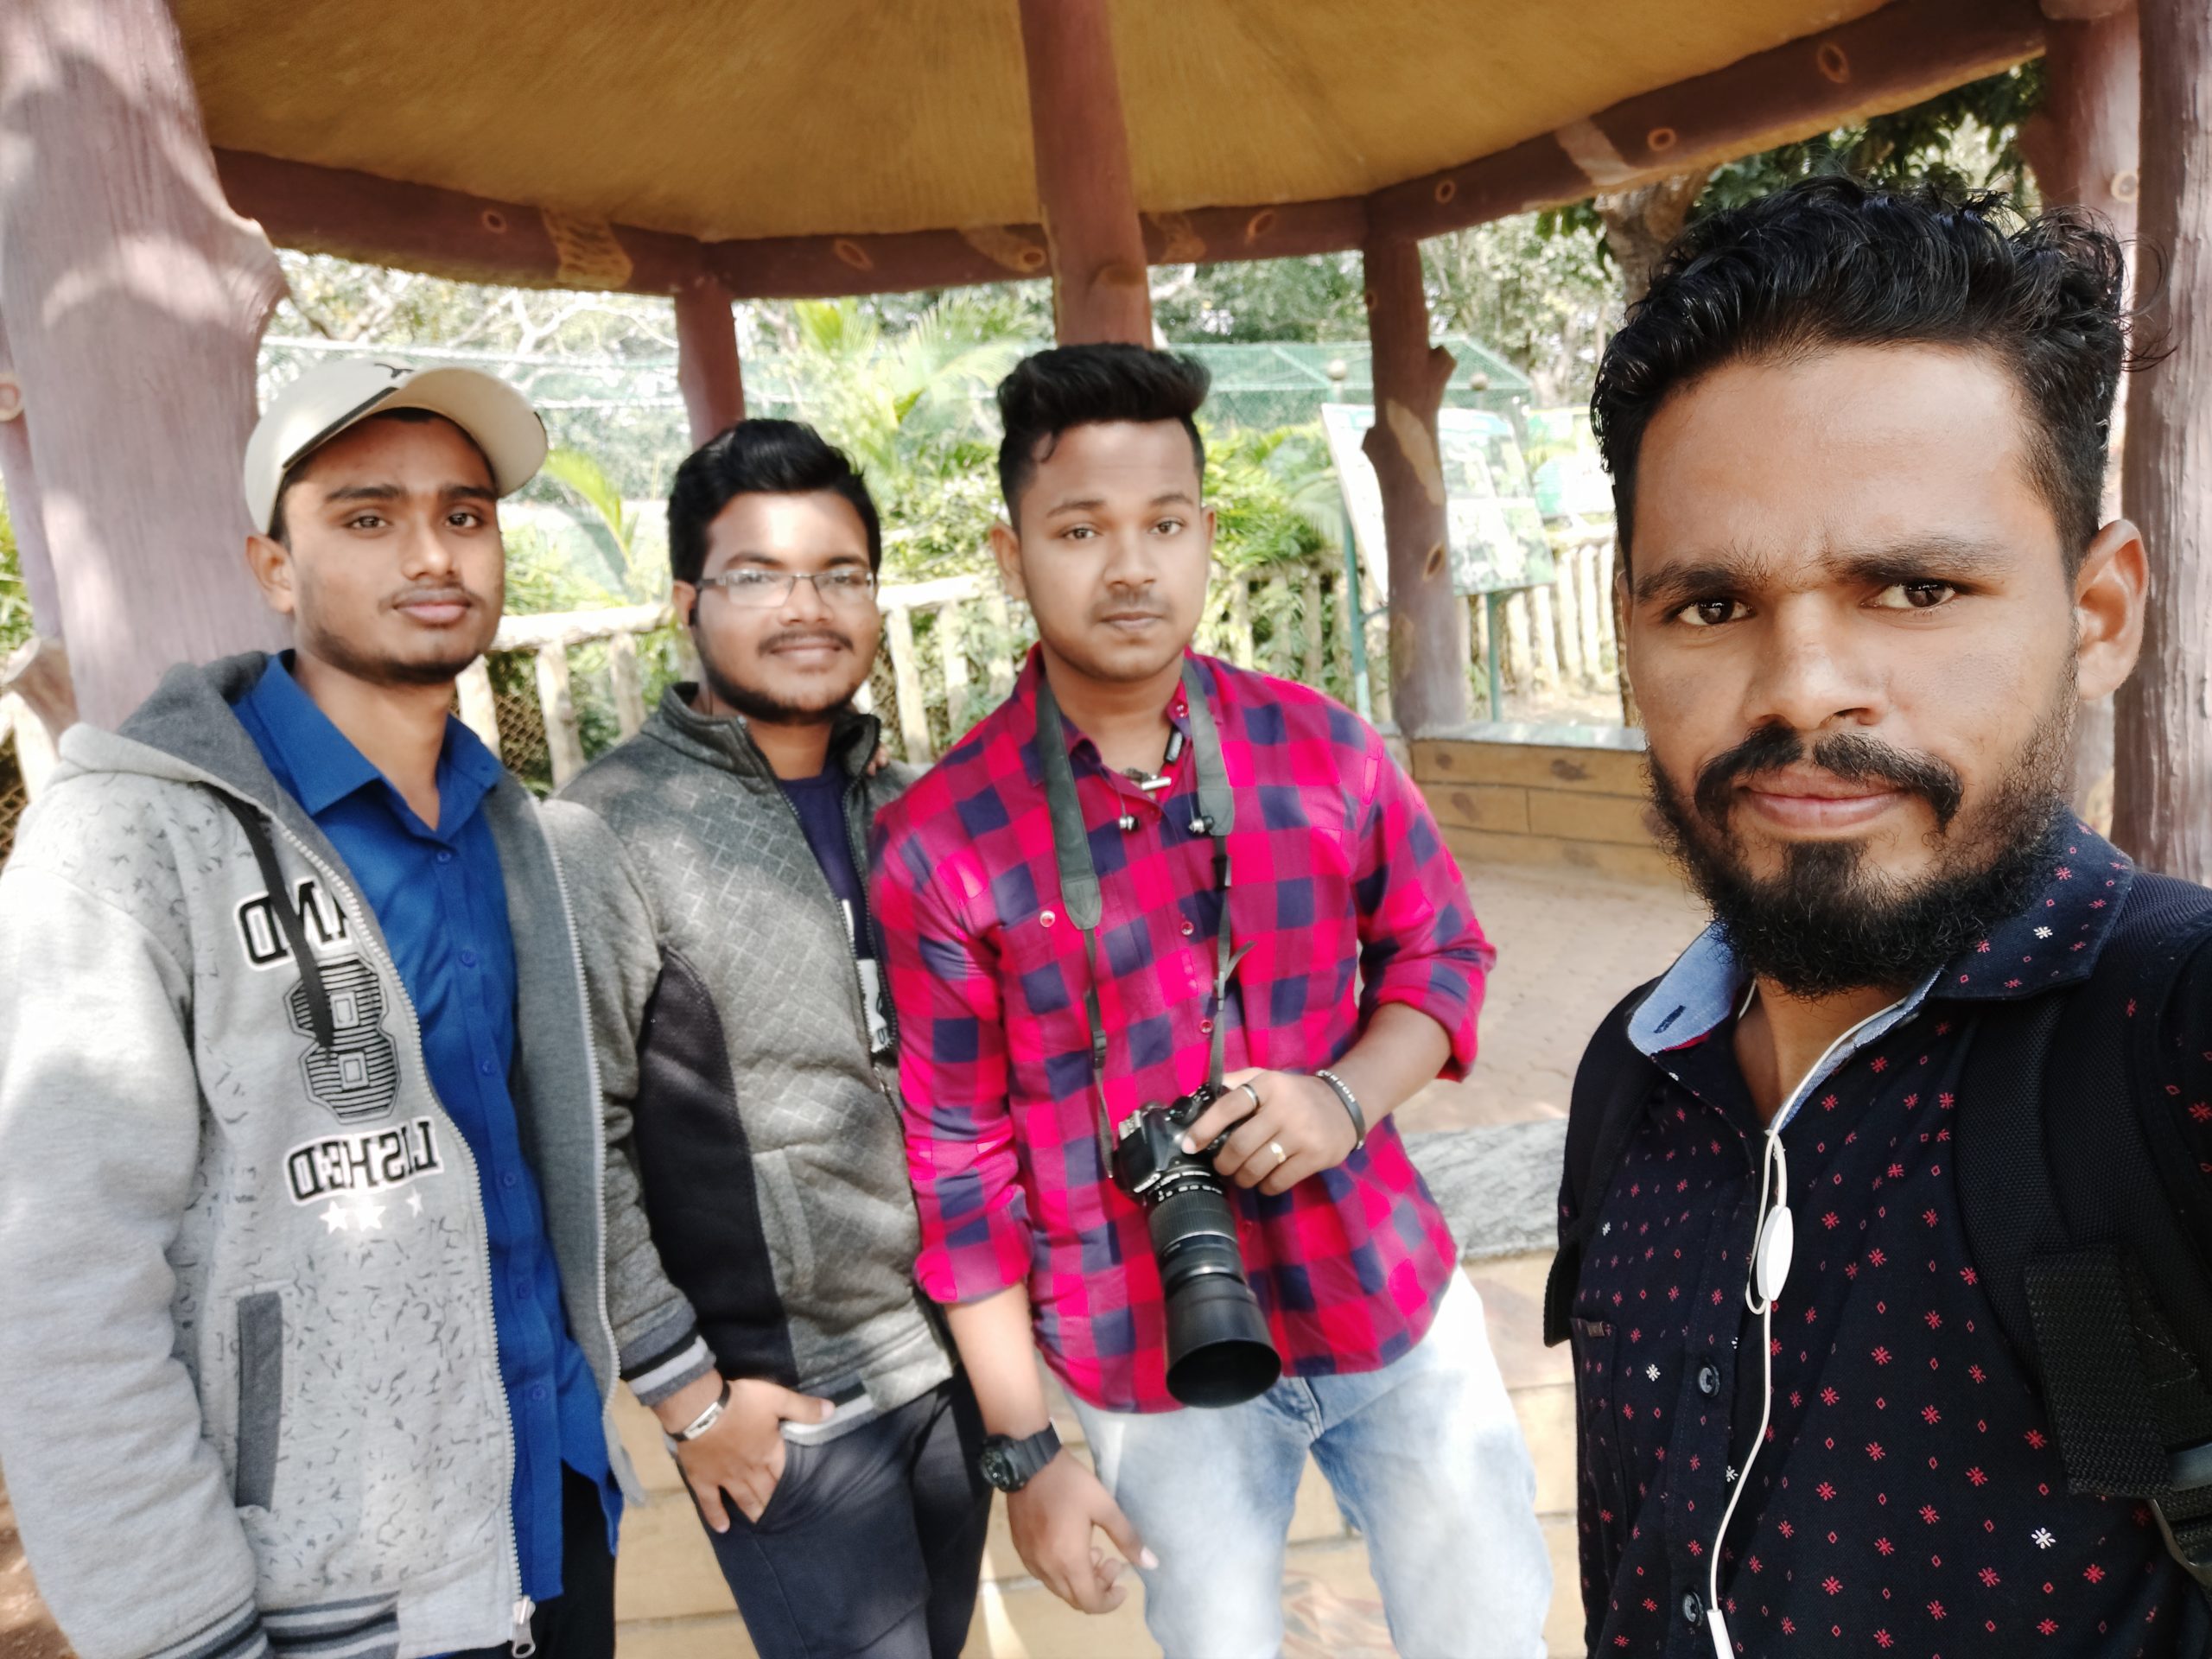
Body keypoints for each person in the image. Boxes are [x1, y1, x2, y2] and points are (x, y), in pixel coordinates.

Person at [1557, 175, 2212, 1655]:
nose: (1801, 690)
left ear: (2098, 614)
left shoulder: (2164, 1043)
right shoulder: (1632, 1078)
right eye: (1710, 607)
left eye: (1915, 589)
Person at [870, 343, 1552, 1659]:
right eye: (1080, 530)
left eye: (1165, 524)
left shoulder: (1327, 749)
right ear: (1013, 556)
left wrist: (1343, 1098)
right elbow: (957, 1162)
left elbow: (1442, 956)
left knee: (1490, 1636)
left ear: (1206, 536)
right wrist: (1026, 1451)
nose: (1131, 567)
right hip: (1138, 1344)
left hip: (1380, 1286)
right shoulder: (942, 841)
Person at [0, 357, 645, 1659]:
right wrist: (179, 1633)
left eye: (464, 514)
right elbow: (60, 1285)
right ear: (274, 569)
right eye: (367, 516)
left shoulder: (511, 829)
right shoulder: (128, 843)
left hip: (556, 1508)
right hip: (322, 1602)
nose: (433, 552)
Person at [541, 419, 988, 1659]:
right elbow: (579, 1136)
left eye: (841, 573)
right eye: (758, 576)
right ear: (687, 601)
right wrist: (688, 1397)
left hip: (951, 1354)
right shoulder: (606, 832)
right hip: (786, 1399)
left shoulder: (908, 806)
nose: (807, 607)